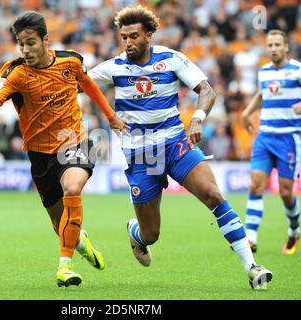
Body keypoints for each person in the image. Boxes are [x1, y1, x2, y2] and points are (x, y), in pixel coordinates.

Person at [88, 5, 272, 289]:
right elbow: (79, 83)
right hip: (142, 156)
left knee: (213, 195)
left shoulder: (172, 60)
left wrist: (197, 118)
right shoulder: (113, 67)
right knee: (151, 235)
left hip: (175, 145)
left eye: (134, 36)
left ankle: (252, 267)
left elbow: (207, 91)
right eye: (123, 37)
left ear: (149, 35)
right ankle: (136, 233)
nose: (128, 42)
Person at [0, 11, 128, 287]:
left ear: (46, 40)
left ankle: (64, 267)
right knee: (58, 220)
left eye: (31, 43)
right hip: (39, 153)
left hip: (75, 141)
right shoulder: (14, 74)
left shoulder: (71, 61)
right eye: (21, 43)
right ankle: (79, 241)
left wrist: (110, 117)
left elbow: (90, 86)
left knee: (73, 188)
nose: (25, 49)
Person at [242, 29, 301, 255]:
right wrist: (247, 113)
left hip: (288, 139)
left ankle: (294, 230)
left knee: (285, 193)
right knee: (255, 185)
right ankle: (250, 238)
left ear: (286, 47)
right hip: (265, 137)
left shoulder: (299, 71)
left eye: (277, 45)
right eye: (270, 45)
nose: (273, 48)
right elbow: (263, 94)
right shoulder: (263, 72)